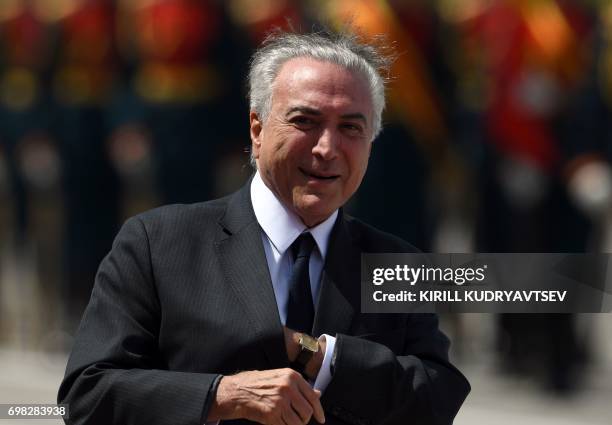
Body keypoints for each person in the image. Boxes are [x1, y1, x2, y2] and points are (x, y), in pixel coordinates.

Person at [58, 30, 470, 425]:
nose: (327, 148)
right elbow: (87, 397)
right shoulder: (159, 243)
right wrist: (221, 397)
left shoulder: (396, 262)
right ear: (256, 129)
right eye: (305, 121)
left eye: (350, 127)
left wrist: (321, 357)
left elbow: (435, 401)